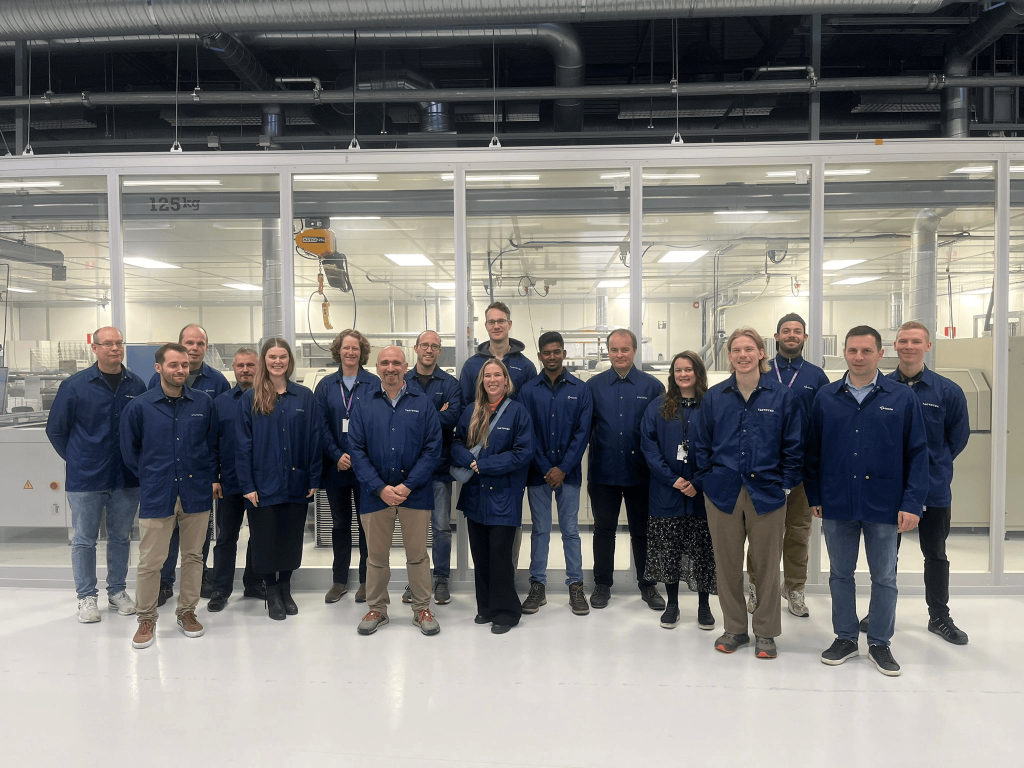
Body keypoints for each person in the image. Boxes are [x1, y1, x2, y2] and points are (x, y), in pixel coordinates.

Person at [806, 325, 929, 677]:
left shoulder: (901, 398)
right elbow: (811, 452)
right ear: (844, 353)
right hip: (837, 501)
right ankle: (845, 638)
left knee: (884, 577)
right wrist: (815, 494)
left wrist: (911, 503)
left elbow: (918, 454)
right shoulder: (826, 397)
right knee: (840, 574)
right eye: (852, 350)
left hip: (885, 503)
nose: (859, 357)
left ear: (880, 354)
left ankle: (879, 642)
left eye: (866, 351)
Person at [692, 328, 802, 660]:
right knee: (727, 565)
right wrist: (708, 480)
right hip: (722, 493)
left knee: (767, 566)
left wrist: (785, 485)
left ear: (761, 353)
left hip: (767, 492)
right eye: (736, 350)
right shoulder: (715, 397)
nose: (743, 355)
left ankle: (766, 632)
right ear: (730, 356)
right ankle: (735, 629)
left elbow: (794, 445)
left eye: (749, 349)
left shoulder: (781, 396)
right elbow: (701, 443)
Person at [869, 321, 969, 644]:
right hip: (891, 488)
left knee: (935, 553)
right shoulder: (879, 388)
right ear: (895, 347)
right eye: (903, 341)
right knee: (886, 555)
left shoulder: (947, 391)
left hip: (933, 487)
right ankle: (880, 613)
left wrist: (932, 465)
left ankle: (939, 616)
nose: (909, 347)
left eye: (916, 341)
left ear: (928, 346)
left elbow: (957, 438)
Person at [46, 326, 147, 623]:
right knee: (84, 539)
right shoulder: (74, 386)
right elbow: (56, 430)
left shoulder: (136, 384)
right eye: (108, 344)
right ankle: (86, 597)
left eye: (119, 343)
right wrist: (78, 459)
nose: (115, 348)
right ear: (95, 348)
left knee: (121, 537)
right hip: (87, 478)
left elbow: (143, 428)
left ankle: (117, 591)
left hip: (126, 476)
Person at [120, 343, 218, 649]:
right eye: (173, 365)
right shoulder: (140, 407)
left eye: (185, 365)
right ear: (159, 367)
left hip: (195, 493)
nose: (180, 370)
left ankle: (187, 611)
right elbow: (129, 452)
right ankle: (146, 618)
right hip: (157, 493)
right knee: (151, 561)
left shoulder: (203, 403)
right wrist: (152, 476)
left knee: (194, 556)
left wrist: (207, 477)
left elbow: (213, 445)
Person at [348, 346, 443, 636]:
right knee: (376, 558)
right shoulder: (363, 403)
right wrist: (380, 488)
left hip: (415, 494)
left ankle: (422, 608)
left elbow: (432, 448)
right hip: (374, 495)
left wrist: (407, 485)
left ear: (405, 367)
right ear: (377, 367)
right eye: (385, 363)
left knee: (418, 556)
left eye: (396, 363)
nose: (391, 368)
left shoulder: (422, 403)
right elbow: (356, 450)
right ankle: (377, 608)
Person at [746, 313, 830, 619]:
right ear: (776, 337)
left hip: (802, 470)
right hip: (766, 469)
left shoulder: (816, 376)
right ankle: (756, 587)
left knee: (798, 533)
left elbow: (823, 423)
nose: (791, 335)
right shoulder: (762, 372)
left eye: (797, 331)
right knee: (761, 534)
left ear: (805, 338)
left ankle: (794, 588)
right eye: (786, 330)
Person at [236, 338, 322, 621]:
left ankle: (285, 588)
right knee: (265, 541)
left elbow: (314, 439)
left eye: (282, 356)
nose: (277, 361)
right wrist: (247, 485)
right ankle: (271, 592)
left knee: (291, 539)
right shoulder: (251, 398)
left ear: (289, 360)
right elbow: (243, 445)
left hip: (296, 482)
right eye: (272, 357)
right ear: (264, 360)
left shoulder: (304, 397)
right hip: (263, 485)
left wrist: (314, 477)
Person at [149, 323, 230, 607]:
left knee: (200, 530)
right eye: (189, 343)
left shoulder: (217, 381)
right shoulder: (156, 379)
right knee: (167, 530)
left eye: (200, 343)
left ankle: (199, 576)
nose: (195, 348)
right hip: (166, 471)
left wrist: (214, 473)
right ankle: (164, 580)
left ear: (206, 347)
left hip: (199, 472)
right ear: (180, 344)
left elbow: (219, 432)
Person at [586, 328, 666, 611]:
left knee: (642, 532)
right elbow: (584, 429)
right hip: (603, 473)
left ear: (634, 351)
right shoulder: (593, 387)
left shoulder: (653, 387)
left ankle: (648, 585)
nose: (619, 355)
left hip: (640, 474)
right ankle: (602, 584)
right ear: (608, 352)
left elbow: (660, 432)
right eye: (614, 350)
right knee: (603, 531)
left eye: (625, 349)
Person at [452, 359, 534, 634]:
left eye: (497, 375)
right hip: (475, 496)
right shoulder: (471, 411)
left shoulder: (518, 413)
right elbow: (456, 442)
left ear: (506, 381)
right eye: (487, 375)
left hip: (503, 496)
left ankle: (506, 612)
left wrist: (484, 465)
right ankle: (485, 607)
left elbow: (523, 453)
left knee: (500, 557)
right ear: (481, 381)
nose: (492, 380)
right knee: (481, 555)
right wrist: (466, 458)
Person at [640, 351, 717, 630]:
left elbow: (721, 446)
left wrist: (698, 482)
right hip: (667, 492)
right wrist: (672, 479)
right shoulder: (658, 406)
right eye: (678, 370)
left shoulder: (711, 404)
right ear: (672, 375)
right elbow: (649, 446)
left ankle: (704, 606)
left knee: (703, 552)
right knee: (669, 550)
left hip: (701, 494)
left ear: (698, 373)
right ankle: (672, 604)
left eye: (688, 369)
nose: (683, 374)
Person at [519, 331, 593, 616]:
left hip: (568, 474)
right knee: (540, 531)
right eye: (547, 352)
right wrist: (545, 467)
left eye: (556, 351)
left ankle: (576, 586)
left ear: (564, 353)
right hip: (537, 473)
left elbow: (582, 434)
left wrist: (563, 468)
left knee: (571, 531)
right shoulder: (528, 390)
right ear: (540, 356)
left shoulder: (580, 389)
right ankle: (537, 586)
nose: (552, 356)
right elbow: (526, 433)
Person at [314, 329, 378, 605]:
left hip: (366, 469)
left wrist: (358, 457)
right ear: (338, 351)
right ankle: (339, 580)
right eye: (346, 348)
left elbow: (378, 424)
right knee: (340, 524)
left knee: (366, 526)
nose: (350, 352)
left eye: (355, 348)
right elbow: (320, 426)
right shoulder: (326, 385)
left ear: (362, 352)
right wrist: (336, 454)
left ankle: (366, 581)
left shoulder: (373, 383)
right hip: (336, 468)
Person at [403, 330, 463, 605]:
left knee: (441, 527)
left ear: (440, 351)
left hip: (439, 468)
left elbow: (453, 417)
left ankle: (441, 579)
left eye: (434, 346)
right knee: (413, 529)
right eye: (424, 345)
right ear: (416, 348)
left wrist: (417, 416)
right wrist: (435, 414)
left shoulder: (450, 384)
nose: (429, 350)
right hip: (410, 470)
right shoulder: (403, 381)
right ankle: (415, 579)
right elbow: (397, 417)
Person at [206, 348, 262, 612]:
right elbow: (212, 444)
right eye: (240, 365)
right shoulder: (221, 403)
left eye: (250, 365)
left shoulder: (267, 399)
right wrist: (214, 477)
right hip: (229, 481)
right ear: (233, 368)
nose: (245, 370)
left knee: (259, 536)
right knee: (226, 537)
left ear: (258, 367)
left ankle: (254, 583)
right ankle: (220, 589)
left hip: (260, 482)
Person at [459, 301, 537, 406]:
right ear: (486, 326)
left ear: (509, 324)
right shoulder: (471, 366)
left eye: (501, 321)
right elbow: (464, 406)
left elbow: (531, 407)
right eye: (491, 322)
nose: (496, 326)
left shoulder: (526, 367)